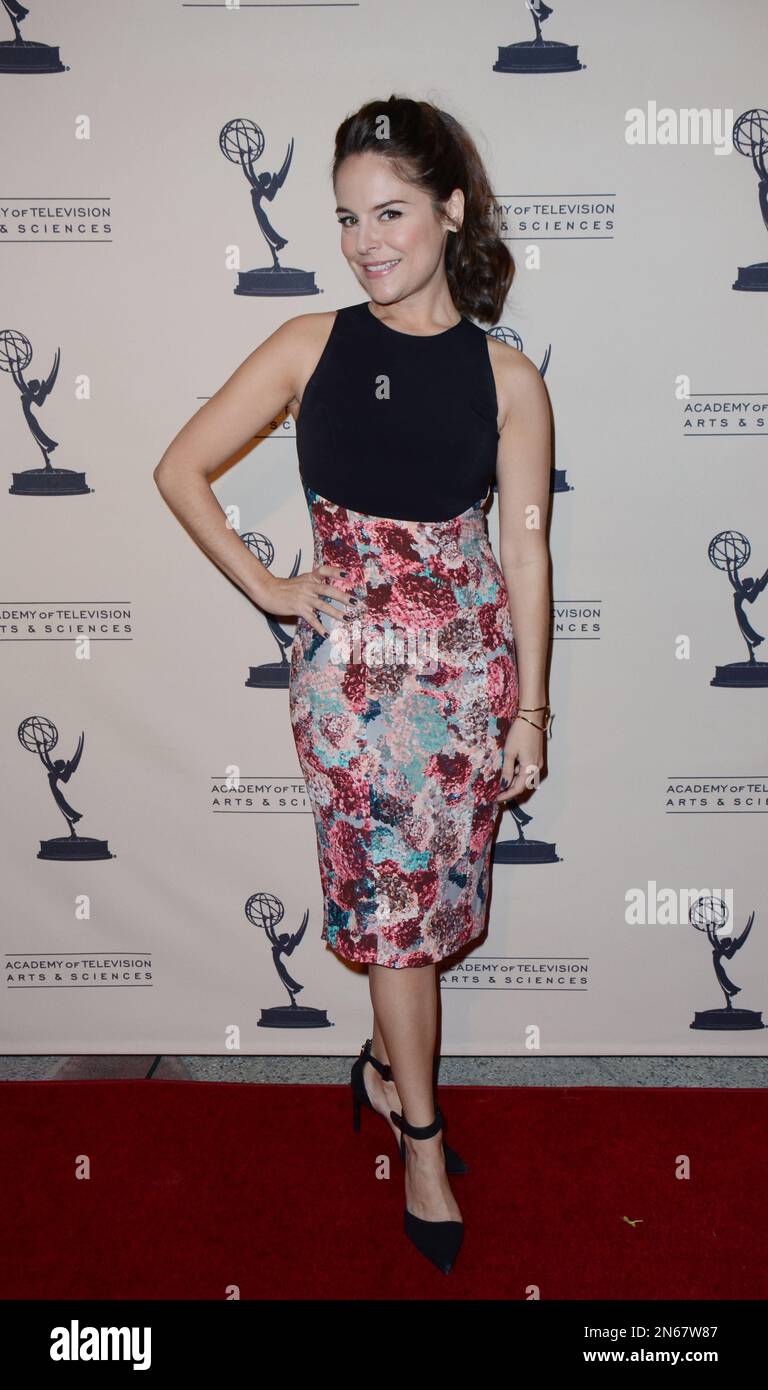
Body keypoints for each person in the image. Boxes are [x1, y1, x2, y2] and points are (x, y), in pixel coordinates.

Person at [154, 94, 552, 1276]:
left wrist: (530, 707)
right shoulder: (307, 346)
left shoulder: (508, 375)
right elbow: (179, 469)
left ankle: (383, 1074)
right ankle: (420, 1141)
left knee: (430, 913)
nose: (368, 240)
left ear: (451, 210)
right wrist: (271, 583)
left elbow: (525, 546)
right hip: (348, 686)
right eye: (345, 218)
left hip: (466, 673)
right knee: (394, 926)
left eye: (390, 211)